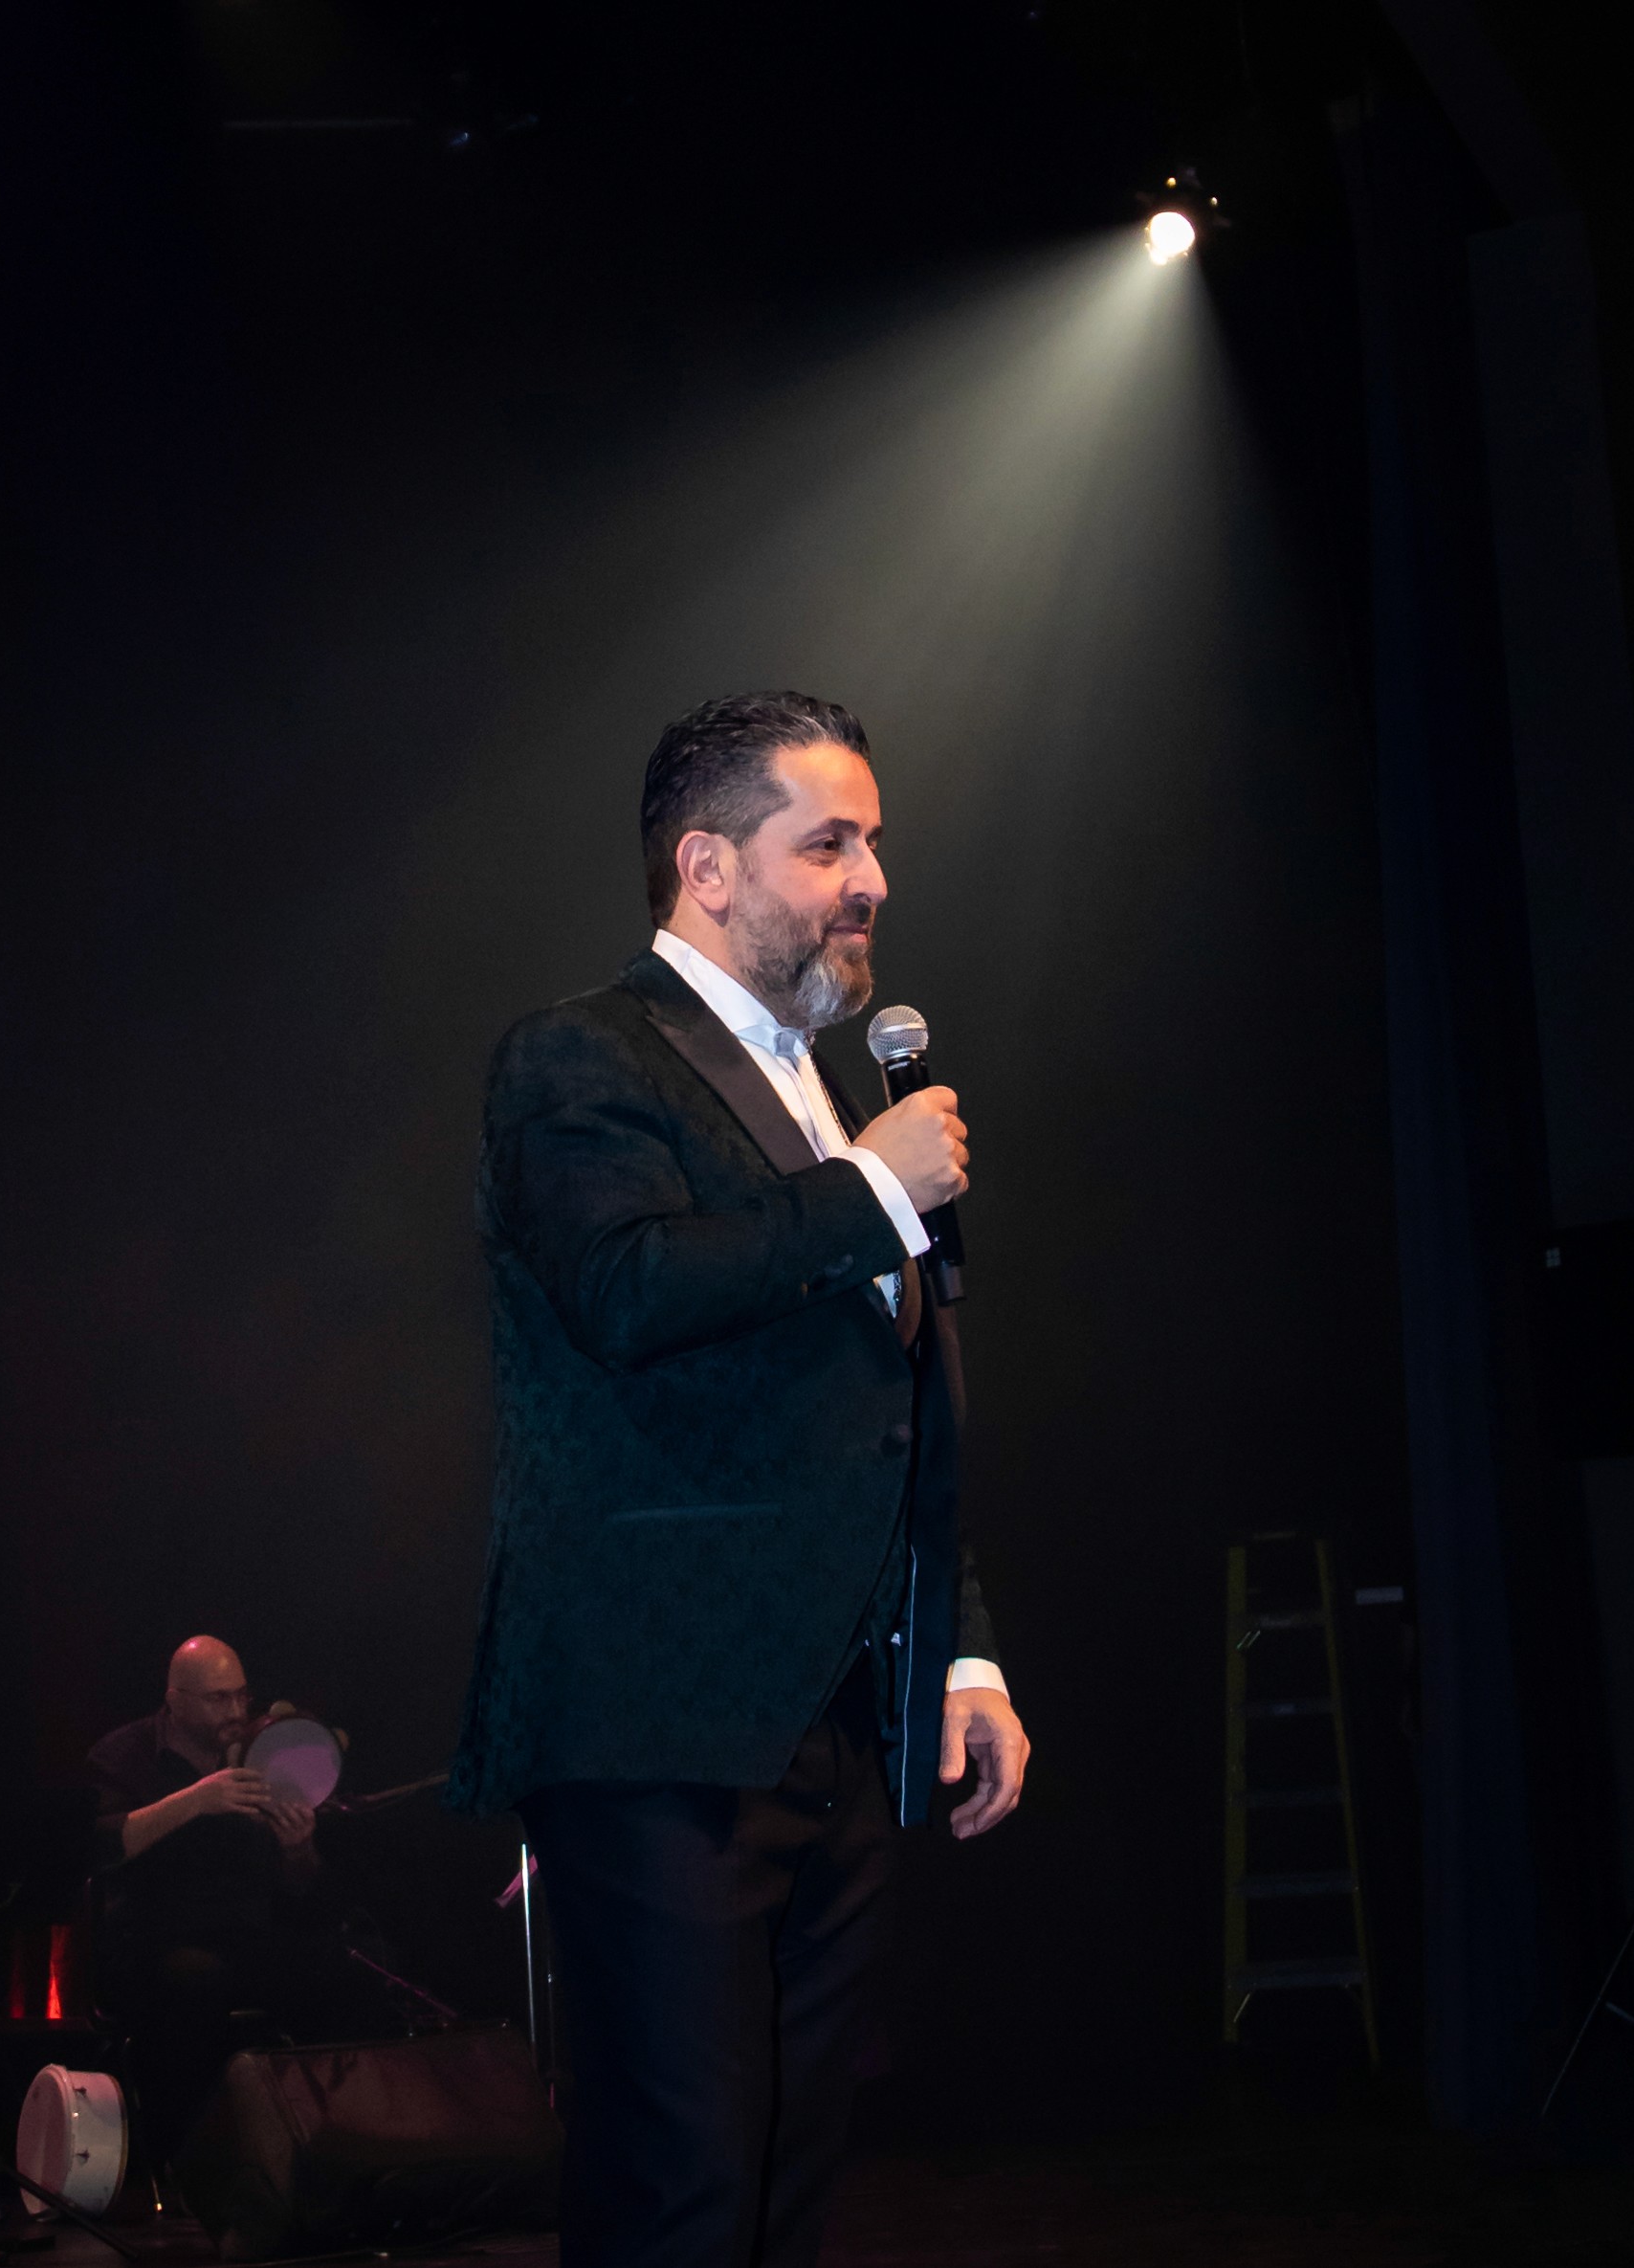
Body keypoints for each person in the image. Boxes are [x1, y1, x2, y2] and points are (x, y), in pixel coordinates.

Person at [447, 690, 1032, 2267]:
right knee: (681, 2183)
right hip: (660, 1723)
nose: (872, 881)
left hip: (836, 1721)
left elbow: (884, 1415)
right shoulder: (581, 1054)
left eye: (875, 844)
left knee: (782, 2180)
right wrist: (866, 1188)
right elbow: (628, 1288)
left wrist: (960, 1649)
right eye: (828, 844)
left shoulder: (819, 1090)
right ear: (707, 867)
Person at [85, 1636, 323, 2159]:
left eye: (241, 1696)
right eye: (219, 1698)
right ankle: (192, 2158)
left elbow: (299, 1885)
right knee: (194, 1983)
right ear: (175, 1700)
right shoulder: (123, 1755)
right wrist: (196, 1799)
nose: (236, 1712)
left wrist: (298, 1848)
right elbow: (98, 1847)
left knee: (339, 1974)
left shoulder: (260, 1752)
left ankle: (321, 2154)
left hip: (244, 1935)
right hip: (153, 1940)